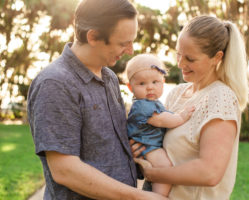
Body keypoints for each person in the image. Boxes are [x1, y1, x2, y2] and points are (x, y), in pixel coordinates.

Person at [27, 0, 168, 199]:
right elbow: (65, 170)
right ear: (93, 36)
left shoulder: (109, 77)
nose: (130, 50)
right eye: (123, 43)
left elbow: (103, 144)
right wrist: (140, 197)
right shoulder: (55, 83)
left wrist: (130, 152)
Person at [132, 15, 249, 200]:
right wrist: (137, 148)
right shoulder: (176, 93)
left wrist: (153, 174)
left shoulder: (221, 98)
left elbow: (209, 173)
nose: (180, 64)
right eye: (178, 54)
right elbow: (155, 138)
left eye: (190, 59)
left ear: (216, 57)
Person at [125, 54, 195, 196]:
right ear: (130, 87)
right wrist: (181, 116)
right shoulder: (141, 106)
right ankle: (158, 196)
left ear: (163, 82)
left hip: (150, 144)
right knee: (164, 167)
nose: (150, 87)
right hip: (147, 146)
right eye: (142, 84)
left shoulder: (153, 103)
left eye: (155, 82)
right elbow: (163, 120)